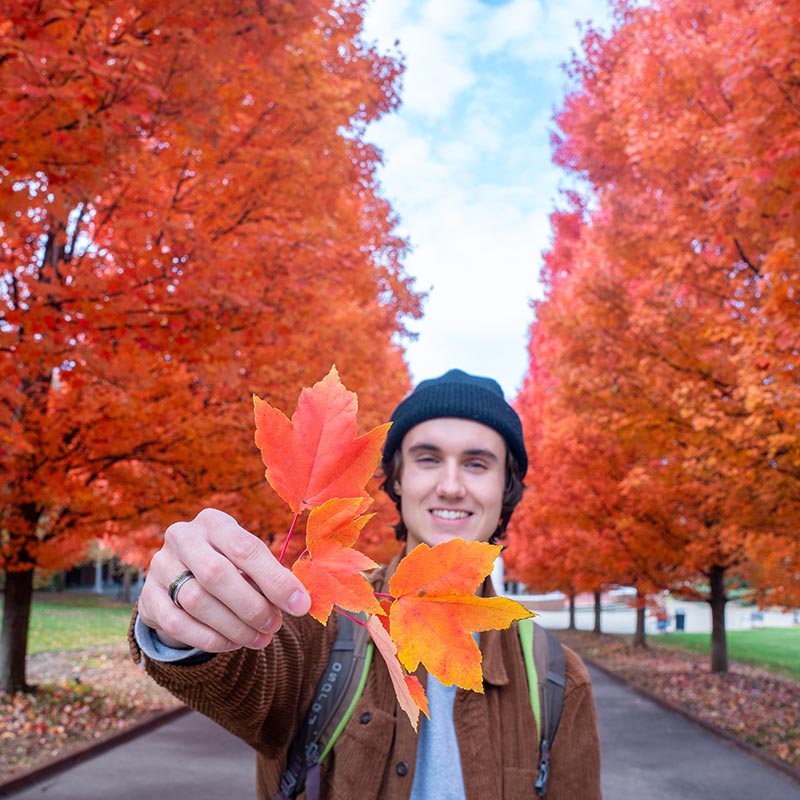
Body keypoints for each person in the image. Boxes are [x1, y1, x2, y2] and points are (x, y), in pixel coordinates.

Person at [130, 369, 602, 799]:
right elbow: (241, 677)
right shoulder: (321, 620)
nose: (452, 486)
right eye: (428, 459)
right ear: (396, 478)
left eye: (477, 463)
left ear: (507, 488)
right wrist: (181, 622)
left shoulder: (556, 680)